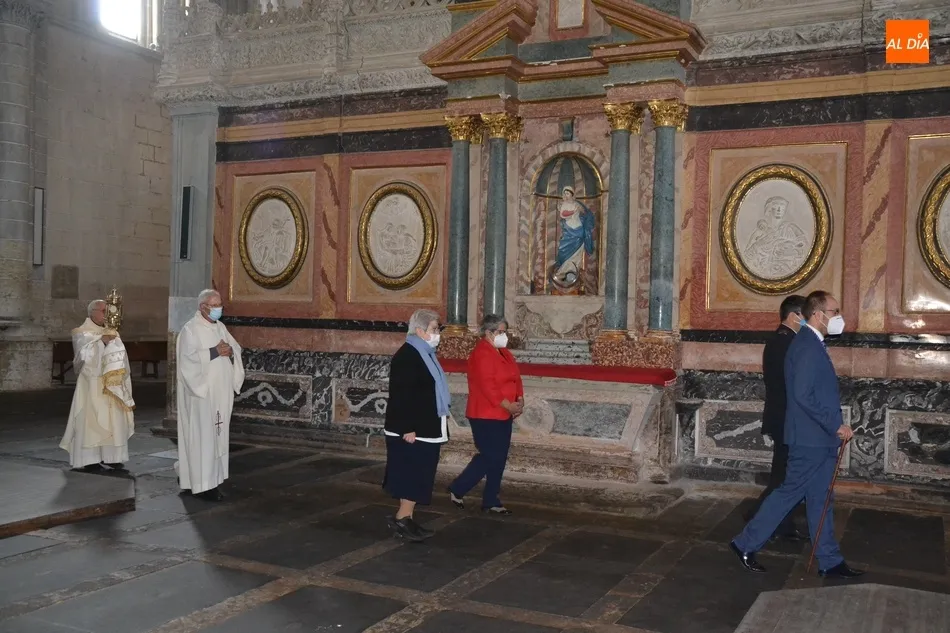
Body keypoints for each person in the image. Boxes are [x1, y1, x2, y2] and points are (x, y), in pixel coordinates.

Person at [730, 291, 865, 578]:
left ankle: (829, 560)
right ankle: (744, 543)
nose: (839, 317)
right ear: (818, 314)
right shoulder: (805, 345)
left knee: (821, 499)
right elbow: (802, 395)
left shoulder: (812, 342)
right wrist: (834, 425)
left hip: (819, 437)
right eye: (835, 311)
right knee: (788, 493)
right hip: (809, 438)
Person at [382, 309, 450, 542]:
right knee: (413, 475)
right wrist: (407, 428)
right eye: (434, 329)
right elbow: (402, 395)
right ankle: (402, 519)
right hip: (413, 429)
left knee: (417, 473)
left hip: (425, 426)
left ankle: (406, 518)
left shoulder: (423, 353)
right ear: (420, 331)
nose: (437, 333)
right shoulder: (408, 356)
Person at [744, 294, 808, 541]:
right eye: (806, 316)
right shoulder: (784, 342)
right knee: (783, 476)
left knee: (787, 475)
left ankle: (780, 523)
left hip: (786, 417)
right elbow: (790, 385)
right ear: (794, 316)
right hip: (786, 418)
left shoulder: (786, 340)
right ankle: (759, 519)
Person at [448, 314, 523, 515]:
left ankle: (491, 500)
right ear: (488, 332)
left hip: (504, 413)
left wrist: (520, 398)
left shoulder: (504, 352)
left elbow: (516, 377)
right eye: (501, 332)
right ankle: (458, 487)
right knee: (490, 456)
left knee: (499, 458)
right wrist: (508, 405)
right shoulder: (481, 353)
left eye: (505, 331)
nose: (504, 335)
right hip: (485, 414)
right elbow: (487, 385)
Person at [175, 289, 245, 502]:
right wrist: (214, 352)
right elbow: (186, 361)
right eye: (214, 305)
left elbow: (235, 348)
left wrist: (230, 352)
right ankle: (204, 485)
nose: (218, 309)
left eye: (219, 304)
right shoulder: (190, 330)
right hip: (202, 394)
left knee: (216, 437)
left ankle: (208, 479)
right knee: (203, 438)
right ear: (202, 307)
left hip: (220, 393)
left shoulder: (220, 327)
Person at [60, 299, 135, 472]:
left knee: (113, 421)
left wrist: (112, 342)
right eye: (103, 311)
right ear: (92, 312)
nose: (106, 314)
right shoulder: (82, 332)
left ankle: (113, 457)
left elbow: (122, 357)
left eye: (108, 311)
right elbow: (82, 360)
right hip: (92, 385)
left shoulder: (112, 331)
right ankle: (90, 459)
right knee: (91, 421)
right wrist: (102, 342)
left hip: (113, 386)